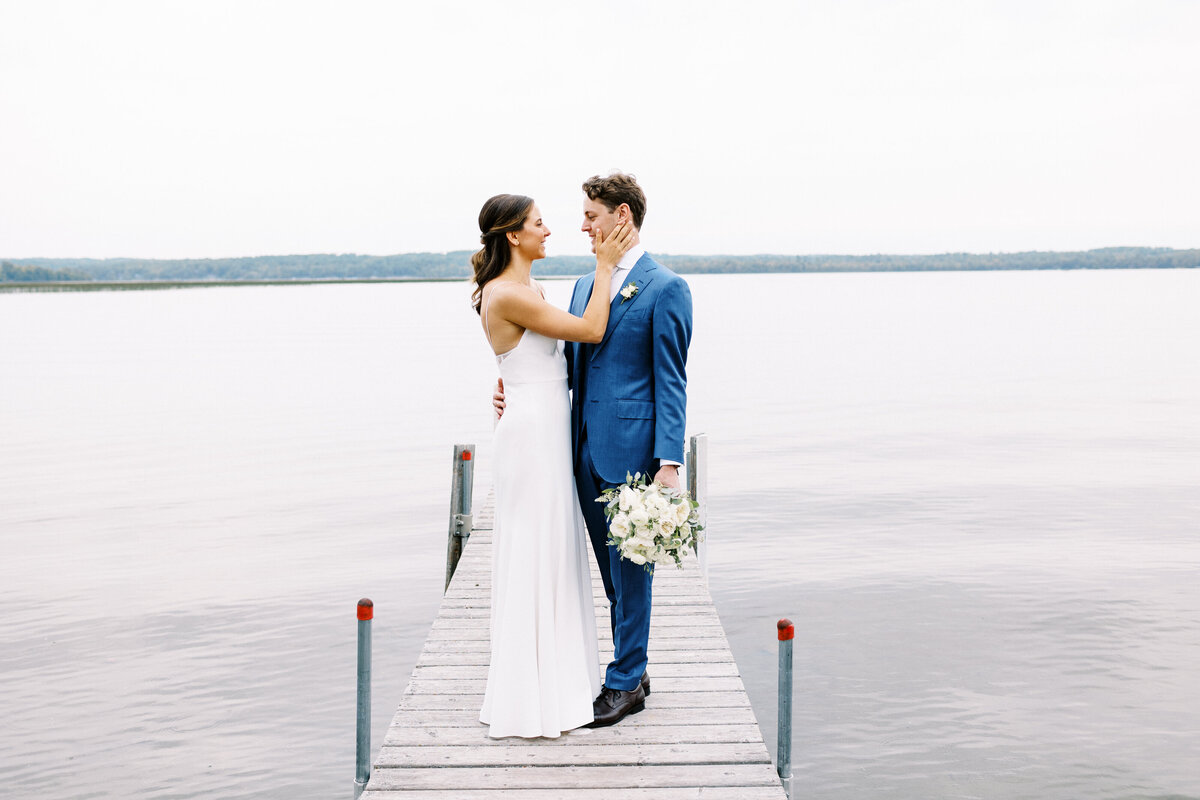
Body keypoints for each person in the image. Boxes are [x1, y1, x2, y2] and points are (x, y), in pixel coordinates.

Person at [494, 173, 694, 728]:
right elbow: (568, 364)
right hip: (577, 450)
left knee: (633, 569)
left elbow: (671, 381)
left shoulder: (666, 288)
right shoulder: (585, 287)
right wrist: (511, 383)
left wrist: (669, 463)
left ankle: (625, 681)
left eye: (591, 216)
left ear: (621, 217)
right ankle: (636, 663)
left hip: (632, 452)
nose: (582, 226)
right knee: (611, 574)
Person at [472, 193, 634, 738]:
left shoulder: (529, 290)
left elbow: (529, 361)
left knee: (553, 551)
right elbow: (589, 331)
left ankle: (559, 679)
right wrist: (606, 267)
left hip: (543, 427)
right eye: (539, 224)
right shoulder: (505, 294)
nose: (550, 231)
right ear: (513, 236)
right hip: (532, 440)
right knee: (535, 552)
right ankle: (530, 694)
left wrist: (507, 386)